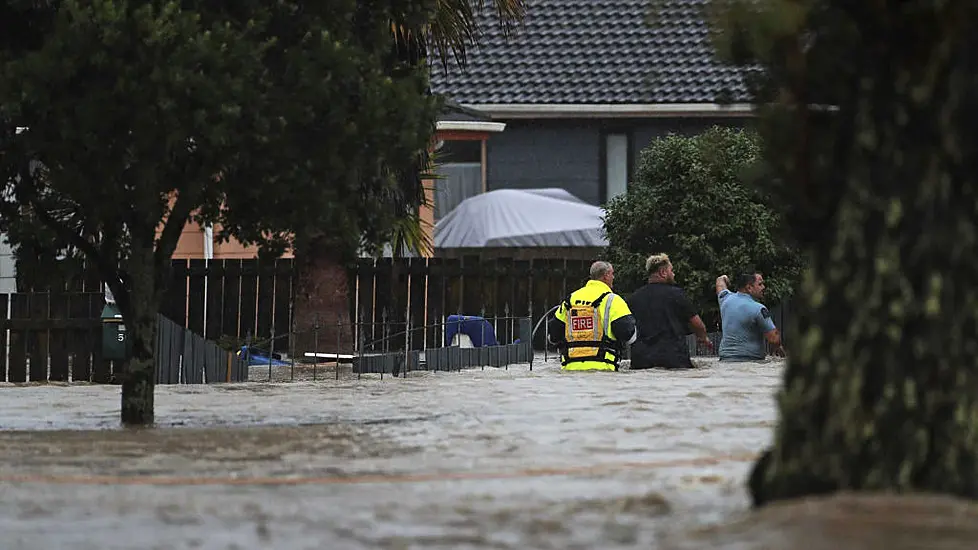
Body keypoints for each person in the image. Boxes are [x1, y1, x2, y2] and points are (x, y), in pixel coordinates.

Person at [626, 253, 712, 369]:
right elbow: (697, 324)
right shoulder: (677, 294)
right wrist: (703, 338)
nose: (674, 274)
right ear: (663, 272)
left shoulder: (633, 298)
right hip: (673, 360)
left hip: (641, 361)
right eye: (672, 270)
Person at [548, 261, 636, 371]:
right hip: (604, 369)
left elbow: (553, 337)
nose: (613, 277)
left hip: (570, 371)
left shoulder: (570, 299)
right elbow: (629, 336)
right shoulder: (613, 300)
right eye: (612, 274)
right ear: (606, 275)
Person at [715, 271, 783, 361]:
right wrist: (780, 349)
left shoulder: (725, 299)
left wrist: (723, 278)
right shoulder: (759, 309)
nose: (763, 287)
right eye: (760, 284)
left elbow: (720, 284)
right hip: (751, 362)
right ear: (749, 288)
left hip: (725, 360)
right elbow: (774, 339)